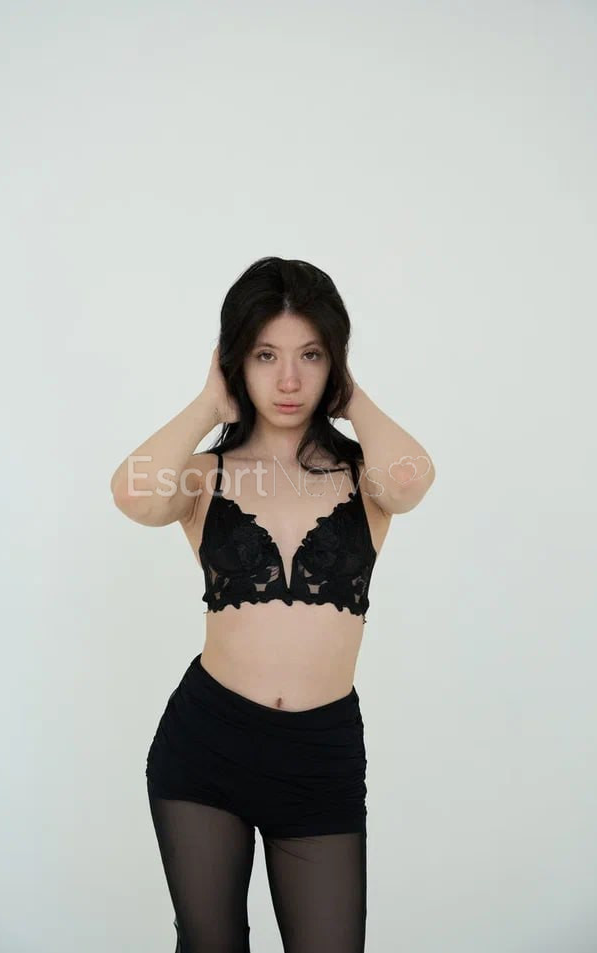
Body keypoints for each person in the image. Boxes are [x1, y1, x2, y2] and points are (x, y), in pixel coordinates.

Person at [110, 256, 435, 952]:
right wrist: (208, 404)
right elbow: (133, 495)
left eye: (310, 355)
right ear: (236, 360)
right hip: (206, 744)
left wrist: (354, 397)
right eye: (265, 355)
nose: (288, 380)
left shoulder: (368, 478)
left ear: (334, 362)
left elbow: (412, 484)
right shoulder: (203, 476)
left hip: (320, 757)